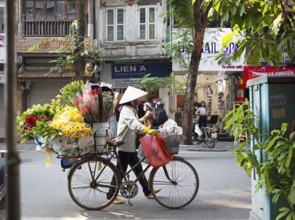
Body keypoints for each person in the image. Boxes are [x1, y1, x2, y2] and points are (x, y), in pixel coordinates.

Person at [107, 86, 160, 204]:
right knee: (120, 172)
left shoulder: (132, 110)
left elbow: (135, 124)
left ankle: (147, 191)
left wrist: (144, 130)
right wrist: (147, 130)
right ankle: (111, 195)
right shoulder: (126, 110)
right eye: (137, 99)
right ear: (131, 100)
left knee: (138, 169)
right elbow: (133, 124)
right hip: (124, 146)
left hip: (130, 145)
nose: (139, 101)